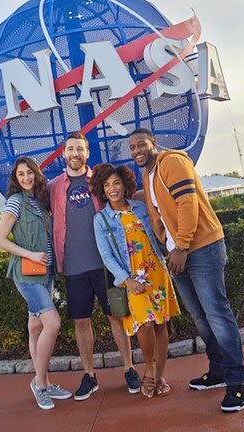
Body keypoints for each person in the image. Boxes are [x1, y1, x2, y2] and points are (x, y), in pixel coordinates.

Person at [129, 127, 244, 413]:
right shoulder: (148, 176)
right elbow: (152, 203)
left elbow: (188, 203)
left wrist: (182, 247)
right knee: (200, 316)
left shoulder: (172, 161)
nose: (137, 150)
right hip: (177, 254)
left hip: (200, 249)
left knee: (217, 314)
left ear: (154, 143)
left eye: (141, 144)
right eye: (132, 147)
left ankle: (239, 382)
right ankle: (219, 370)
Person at [47, 132, 141, 400]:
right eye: (70, 149)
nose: (75, 154)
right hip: (74, 267)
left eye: (80, 149)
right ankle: (89, 375)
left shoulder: (99, 181)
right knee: (81, 322)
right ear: (64, 154)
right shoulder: (54, 186)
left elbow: (123, 196)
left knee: (117, 316)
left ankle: (129, 368)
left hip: (106, 265)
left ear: (87, 153)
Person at [90, 164, 181, 398]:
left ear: (124, 185)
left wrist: (174, 251)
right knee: (145, 324)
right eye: (107, 185)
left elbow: (160, 233)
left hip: (157, 273)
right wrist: (126, 280)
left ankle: (159, 376)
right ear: (102, 189)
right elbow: (106, 256)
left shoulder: (141, 208)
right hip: (132, 279)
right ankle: (150, 368)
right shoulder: (101, 220)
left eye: (116, 183)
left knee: (161, 324)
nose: (112, 189)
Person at [0, 157, 72, 410]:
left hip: (46, 272)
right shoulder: (15, 202)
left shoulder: (41, 201)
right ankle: (39, 384)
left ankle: (46, 382)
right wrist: (29, 254)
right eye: (21, 175)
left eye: (29, 173)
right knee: (53, 323)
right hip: (27, 274)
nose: (26, 178)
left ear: (36, 174)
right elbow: (0, 240)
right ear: (15, 179)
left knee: (36, 328)